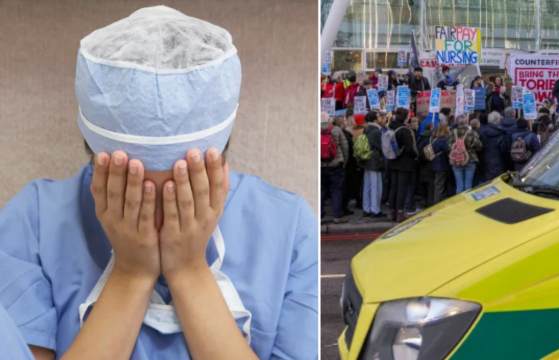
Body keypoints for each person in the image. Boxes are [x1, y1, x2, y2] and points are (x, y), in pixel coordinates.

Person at [0, 7, 318, 360]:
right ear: (95, 152)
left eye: (184, 187)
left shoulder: (290, 228)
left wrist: (190, 271)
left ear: (220, 155)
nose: (157, 212)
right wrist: (131, 274)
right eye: (129, 187)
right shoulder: (30, 223)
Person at [387, 108, 418, 223]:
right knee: (402, 187)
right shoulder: (405, 130)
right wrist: (416, 155)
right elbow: (409, 148)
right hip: (404, 162)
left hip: (392, 160)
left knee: (393, 186)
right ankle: (400, 213)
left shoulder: (390, 127)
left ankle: (392, 211)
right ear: (406, 117)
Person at [321, 113, 350, 223]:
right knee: (336, 190)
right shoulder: (337, 130)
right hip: (335, 164)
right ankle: (337, 216)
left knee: (321, 190)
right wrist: (344, 162)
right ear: (328, 119)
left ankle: (319, 214)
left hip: (321, 166)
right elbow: (345, 147)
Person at [359, 111, 386, 218]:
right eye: (379, 117)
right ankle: (375, 209)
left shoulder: (366, 129)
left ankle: (367, 208)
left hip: (366, 160)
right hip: (375, 161)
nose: (380, 119)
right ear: (375, 119)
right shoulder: (376, 131)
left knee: (367, 185)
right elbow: (382, 146)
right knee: (376, 186)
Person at [448, 115, 483, 194]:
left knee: (459, 185)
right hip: (470, 159)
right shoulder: (473, 133)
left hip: (455, 160)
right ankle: (467, 204)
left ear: (456, 122)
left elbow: (448, 146)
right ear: (467, 122)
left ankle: (459, 204)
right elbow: (479, 146)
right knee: (468, 185)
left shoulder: (452, 133)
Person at [477, 111, 509, 182]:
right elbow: (504, 151)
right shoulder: (502, 134)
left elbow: (478, 147)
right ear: (499, 120)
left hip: (484, 162)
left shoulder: (481, 132)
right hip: (498, 163)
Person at [335, 116, 356, 216]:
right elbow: (347, 150)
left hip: (334, 163)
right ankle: (343, 208)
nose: (346, 122)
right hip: (345, 164)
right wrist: (345, 162)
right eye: (344, 120)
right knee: (344, 188)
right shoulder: (345, 134)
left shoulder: (332, 132)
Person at [429, 123, 450, 205]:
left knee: (434, 185)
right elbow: (448, 151)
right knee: (439, 186)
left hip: (432, 163)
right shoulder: (443, 140)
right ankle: (437, 204)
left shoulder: (431, 138)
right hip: (441, 165)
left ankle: (431, 202)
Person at [417, 122, 435, 208]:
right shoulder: (432, 138)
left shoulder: (420, 136)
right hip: (430, 162)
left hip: (422, 162)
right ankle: (429, 201)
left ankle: (423, 199)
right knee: (430, 183)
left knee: (423, 182)